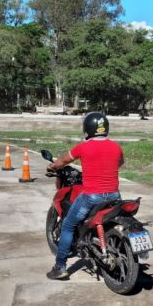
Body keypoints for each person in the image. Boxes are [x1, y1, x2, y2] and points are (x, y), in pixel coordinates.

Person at [45, 112, 124, 280]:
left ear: (87, 128)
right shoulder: (116, 147)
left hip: (91, 196)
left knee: (67, 226)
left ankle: (60, 267)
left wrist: (52, 167)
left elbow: (63, 161)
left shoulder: (83, 147)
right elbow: (120, 162)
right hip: (114, 195)